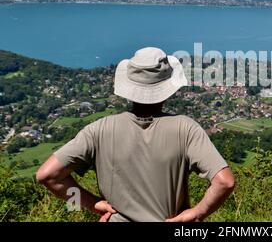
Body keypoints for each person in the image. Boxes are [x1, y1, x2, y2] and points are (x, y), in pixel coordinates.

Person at [36, 47, 235, 222]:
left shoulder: (99, 129)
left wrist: (93, 204)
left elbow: (47, 175)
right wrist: (197, 213)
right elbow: (224, 182)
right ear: (168, 86)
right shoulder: (186, 129)